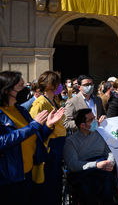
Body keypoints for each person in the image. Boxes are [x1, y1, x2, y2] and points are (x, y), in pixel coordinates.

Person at [0, 71, 64, 205]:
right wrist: (32, 126)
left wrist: (48, 126)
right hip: (10, 177)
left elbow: (35, 136)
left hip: (27, 173)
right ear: (7, 90)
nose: (26, 89)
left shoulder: (20, 110)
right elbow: (2, 142)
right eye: (21, 86)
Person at [29, 71, 67, 205]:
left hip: (57, 147)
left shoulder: (53, 101)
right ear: (52, 85)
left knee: (56, 183)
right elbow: (33, 129)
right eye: (59, 83)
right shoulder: (39, 103)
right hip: (49, 148)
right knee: (49, 184)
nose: (61, 86)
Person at [63, 108, 115, 205]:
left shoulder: (100, 134)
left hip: (103, 168)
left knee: (108, 183)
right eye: (91, 120)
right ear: (83, 125)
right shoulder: (70, 142)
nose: (95, 121)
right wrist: (96, 165)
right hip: (83, 172)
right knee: (85, 189)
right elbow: (73, 165)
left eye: (94, 118)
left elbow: (109, 152)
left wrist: (110, 162)